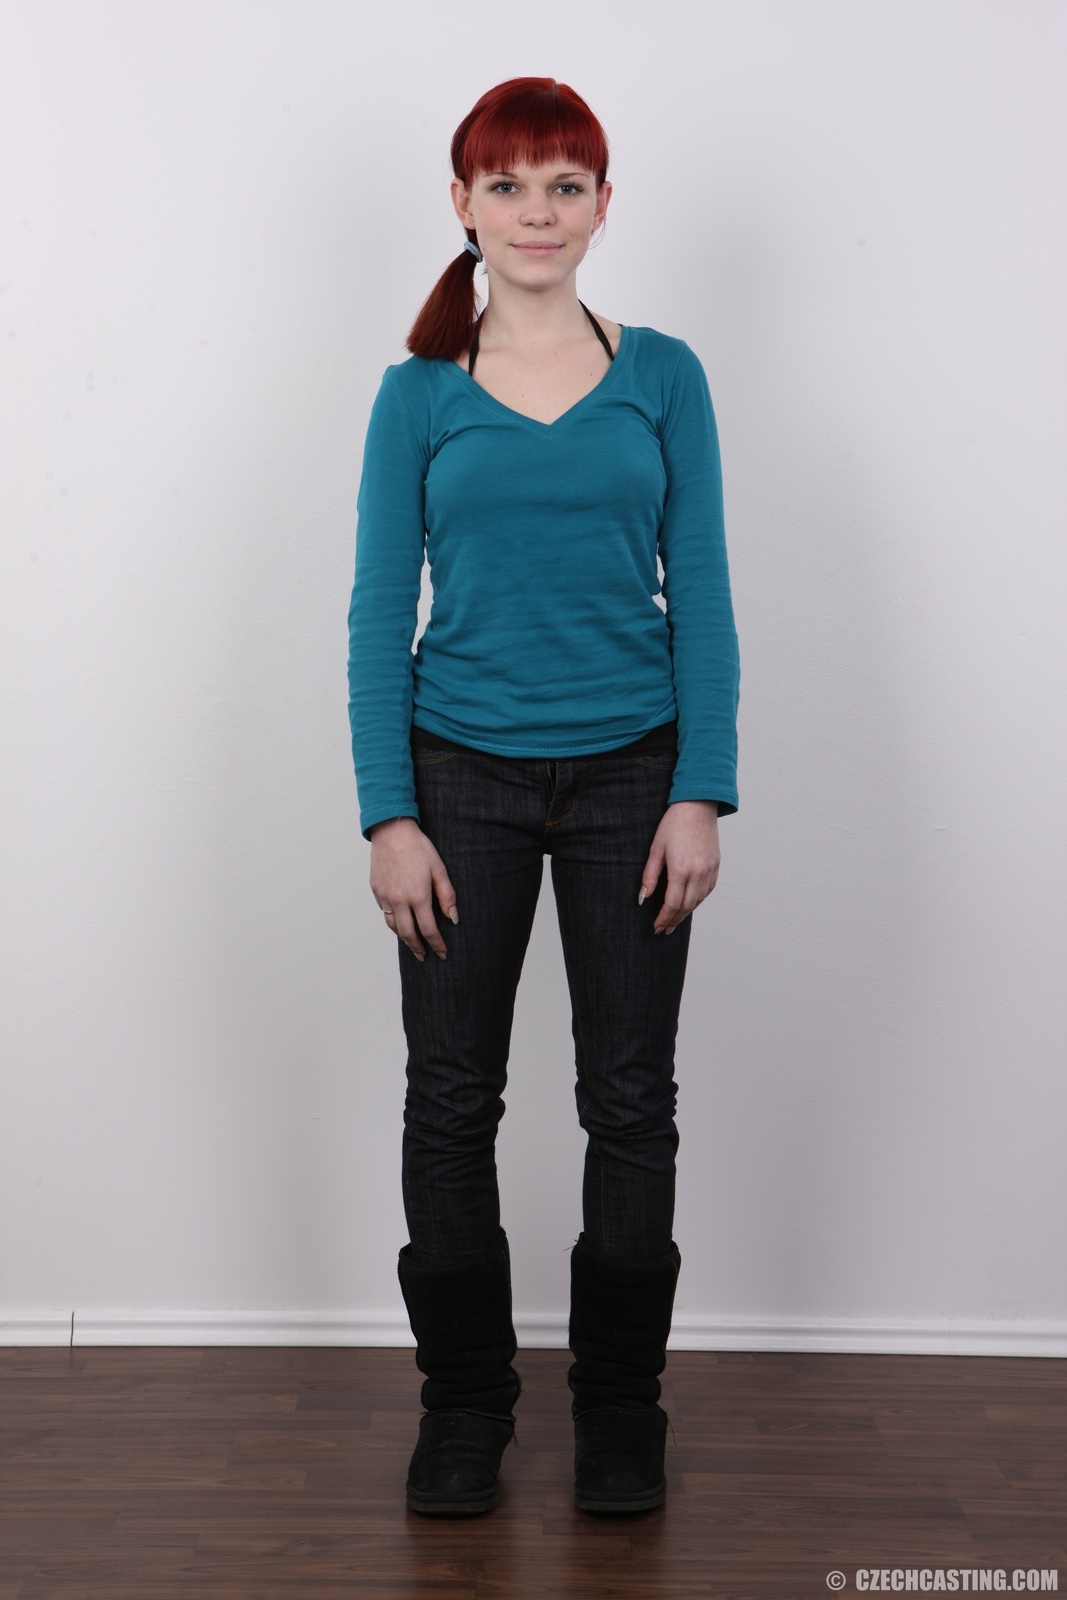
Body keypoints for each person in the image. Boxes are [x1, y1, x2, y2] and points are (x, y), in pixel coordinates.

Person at [346, 77, 740, 1518]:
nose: (537, 213)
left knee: (630, 1101)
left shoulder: (665, 376)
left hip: (637, 775)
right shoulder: (417, 395)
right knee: (451, 1101)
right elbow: (377, 610)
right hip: (459, 778)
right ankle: (464, 1409)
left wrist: (701, 791)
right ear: (463, 205)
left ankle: (621, 1412)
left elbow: (703, 596)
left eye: (565, 185)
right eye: (507, 186)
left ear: (603, 206)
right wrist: (390, 814)